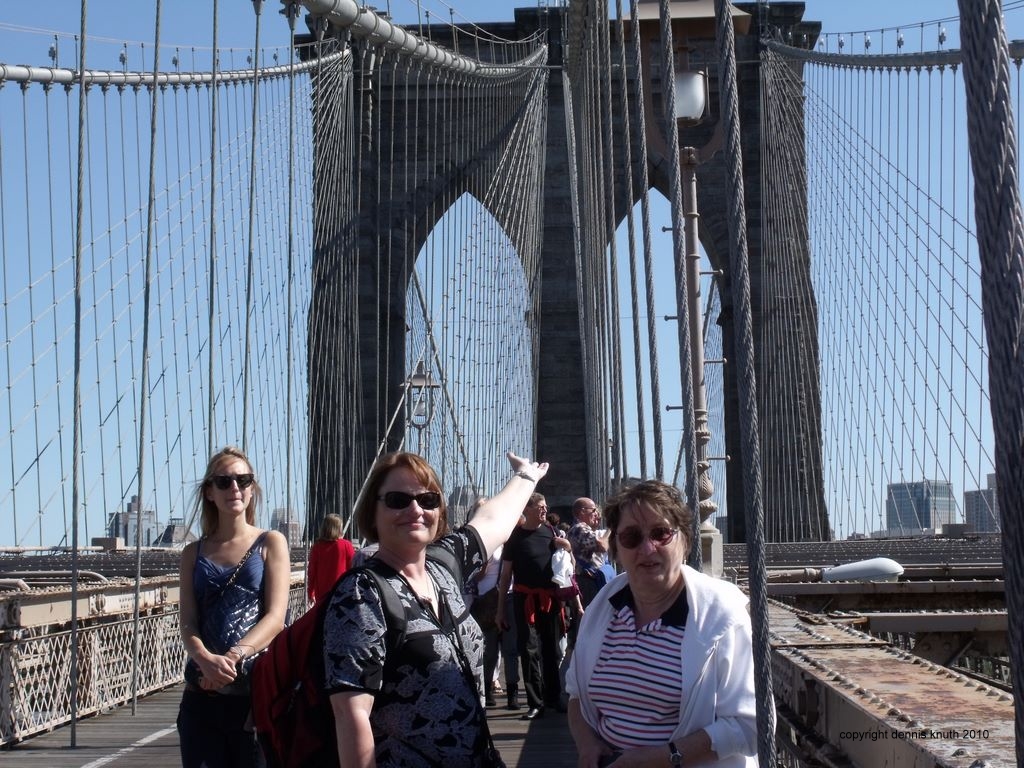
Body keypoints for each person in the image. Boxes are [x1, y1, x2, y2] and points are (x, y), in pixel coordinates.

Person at [323, 450, 548, 768]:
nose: (415, 509)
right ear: (372, 512)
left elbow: (492, 521)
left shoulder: (442, 567)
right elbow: (351, 715)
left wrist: (526, 476)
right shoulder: (361, 594)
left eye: (428, 500)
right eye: (398, 500)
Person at [566, 480, 759, 768]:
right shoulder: (602, 610)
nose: (647, 548)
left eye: (661, 533)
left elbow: (750, 726)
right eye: (631, 537)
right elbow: (577, 697)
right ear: (616, 547)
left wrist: (663, 757)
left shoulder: (723, 616)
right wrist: (587, 746)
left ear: (684, 540)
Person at [178, 446, 291, 768]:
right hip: (200, 693)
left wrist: (230, 659)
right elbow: (187, 621)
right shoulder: (192, 552)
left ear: (252, 489)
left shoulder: (270, 542)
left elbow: (275, 617)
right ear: (209, 492)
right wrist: (204, 660)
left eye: (244, 480)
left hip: (253, 695)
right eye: (224, 481)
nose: (235, 488)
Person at [496, 492, 572, 720]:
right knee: (528, 650)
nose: (544, 510)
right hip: (524, 600)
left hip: (550, 599)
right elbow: (505, 575)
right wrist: (500, 610)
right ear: (526, 508)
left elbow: (568, 566)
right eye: (540, 506)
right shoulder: (515, 538)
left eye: (545, 506)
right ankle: (535, 702)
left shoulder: (551, 533)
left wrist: (567, 546)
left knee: (551, 648)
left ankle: (553, 697)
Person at [567, 497, 611, 609]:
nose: (597, 514)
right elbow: (603, 546)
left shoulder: (580, 529)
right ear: (582, 511)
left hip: (587, 580)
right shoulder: (580, 528)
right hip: (587, 582)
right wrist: (611, 528)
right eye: (594, 510)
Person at [307, 513, 355, 604]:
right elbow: (353, 570)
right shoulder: (346, 545)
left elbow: (311, 572)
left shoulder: (317, 547)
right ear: (339, 529)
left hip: (322, 595)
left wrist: (310, 593)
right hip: (343, 592)